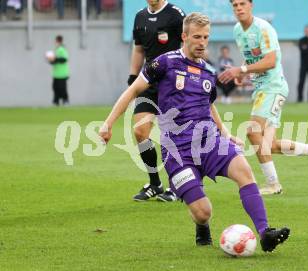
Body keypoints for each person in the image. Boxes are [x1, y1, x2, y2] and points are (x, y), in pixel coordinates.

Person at [99, 12, 290, 252]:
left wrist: (225, 133)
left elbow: (208, 105)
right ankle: (202, 226)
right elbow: (133, 91)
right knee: (203, 212)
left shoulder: (208, 72)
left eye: (206, 37)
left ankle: (265, 233)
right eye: (197, 37)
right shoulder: (165, 62)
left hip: (209, 141)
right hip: (177, 150)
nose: (202, 42)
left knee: (244, 171)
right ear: (184, 36)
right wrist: (108, 124)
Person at [219, 0, 308, 195]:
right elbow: (252, 57)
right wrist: (242, 73)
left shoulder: (263, 28)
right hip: (262, 88)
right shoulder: (238, 30)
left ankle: (273, 184)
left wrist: (242, 69)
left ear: (251, 5)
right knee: (269, 145)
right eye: (235, 5)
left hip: (273, 88)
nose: (239, 8)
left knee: (252, 131)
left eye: (242, 4)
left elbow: (270, 61)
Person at [129, 0, 185, 202]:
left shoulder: (176, 14)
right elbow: (138, 49)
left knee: (171, 135)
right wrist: (133, 77)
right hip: (148, 82)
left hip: (172, 83)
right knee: (140, 131)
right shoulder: (140, 16)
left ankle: (176, 185)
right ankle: (155, 183)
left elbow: (187, 46)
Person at [46, 35, 69, 106]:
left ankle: (65, 100)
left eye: (56, 41)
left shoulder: (62, 49)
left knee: (62, 88)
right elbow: (55, 61)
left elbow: (64, 59)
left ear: (58, 41)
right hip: (56, 73)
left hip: (62, 73)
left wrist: (55, 59)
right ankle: (56, 101)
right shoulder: (57, 50)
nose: (55, 42)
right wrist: (51, 60)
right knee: (55, 87)